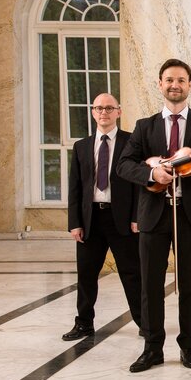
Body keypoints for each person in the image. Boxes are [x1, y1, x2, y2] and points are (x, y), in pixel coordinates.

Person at [117, 58, 191, 372]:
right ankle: (152, 348)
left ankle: (188, 347)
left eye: (181, 80)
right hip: (154, 213)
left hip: (189, 215)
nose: (175, 85)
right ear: (160, 84)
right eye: (169, 80)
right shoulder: (144, 126)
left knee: (189, 284)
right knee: (150, 285)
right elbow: (125, 165)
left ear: (190, 85)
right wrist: (152, 175)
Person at [63, 93, 142, 341]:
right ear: (93, 112)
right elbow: (75, 187)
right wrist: (74, 223)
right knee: (86, 275)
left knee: (132, 273)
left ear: (118, 112)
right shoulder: (81, 146)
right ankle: (84, 323)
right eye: (99, 108)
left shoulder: (131, 143)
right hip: (90, 221)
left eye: (109, 108)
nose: (103, 112)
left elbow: (138, 184)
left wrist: (137, 216)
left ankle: (145, 322)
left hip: (122, 220)